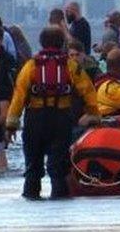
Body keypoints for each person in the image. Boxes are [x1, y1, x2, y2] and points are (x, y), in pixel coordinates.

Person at [6, 27, 99, 199]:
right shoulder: (71, 66)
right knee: (58, 167)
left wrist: (11, 125)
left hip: (35, 119)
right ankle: (59, 198)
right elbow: (88, 91)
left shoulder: (31, 66)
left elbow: (18, 97)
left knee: (33, 166)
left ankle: (31, 197)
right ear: (61, 43)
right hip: (61, 118)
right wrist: (94, 114)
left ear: (42, 43)